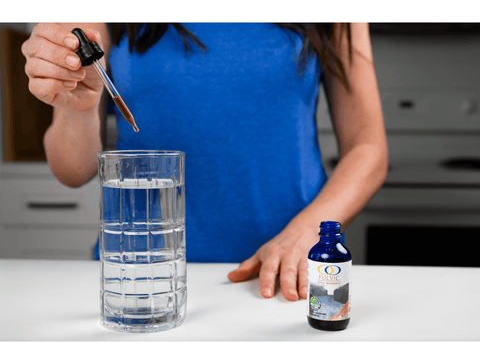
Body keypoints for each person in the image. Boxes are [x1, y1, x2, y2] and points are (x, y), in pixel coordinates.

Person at [21, 22, 388, 302]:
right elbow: (72, 170)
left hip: (283, 276)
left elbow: (367, 147)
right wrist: (77, 111)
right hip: (140, 281)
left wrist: (309, 231)